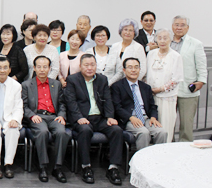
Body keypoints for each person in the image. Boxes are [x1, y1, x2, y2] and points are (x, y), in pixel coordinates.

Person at [65, 54, 123, 185]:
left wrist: (109, 117)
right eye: (86, 65)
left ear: (96, 66)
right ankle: (86, 166)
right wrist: (79, 118)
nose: (90, 68)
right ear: (80, 66)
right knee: (85, 130)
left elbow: (108, 100)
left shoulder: (102, 79)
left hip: (100, 118)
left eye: (93, 65)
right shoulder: (73, 79)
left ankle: (113, 168)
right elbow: (71, 101)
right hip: (83, 118)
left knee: (116, 130)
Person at [22, 56, 69, 183]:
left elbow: (62, 103)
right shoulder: (26, 85)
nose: (42, 69)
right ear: (35, 68)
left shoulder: (56, 84)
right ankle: (42, 167)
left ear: (49, 68)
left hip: (54, 117)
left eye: (45, 67)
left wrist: (61, 115)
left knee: (62, 133)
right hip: (37, 116)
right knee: (43, 132)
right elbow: (23, 106)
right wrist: (32, 115)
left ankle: (57, 167)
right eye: (39, 66)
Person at [111, 58, 167, 150]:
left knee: (162, 132)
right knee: (143, 133)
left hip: (146, 118)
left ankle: (158, 160)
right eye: (130, 67)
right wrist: (131, 117)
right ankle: (142, 161)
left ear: (140, 69)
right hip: (129, 119)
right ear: (124, 70)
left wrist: (153, 117)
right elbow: (117, 107)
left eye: (136, 67)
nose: (133, 70)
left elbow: (152, 106)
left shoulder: (146, 87)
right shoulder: (117, 86)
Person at [171, 15, 207, 142]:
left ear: (188, 28)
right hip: (168, 89)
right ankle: (169, 148)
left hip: (187, 89)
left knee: (186, 125)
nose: (179, 27)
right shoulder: (166, 41)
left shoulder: (196, 43)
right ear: (172, 26)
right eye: (176, 24)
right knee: (168, 124)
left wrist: (201, 81)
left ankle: (185, 150)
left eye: (182, 25)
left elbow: (202, 65)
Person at [145, 29, 183, 143]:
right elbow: (146, 73)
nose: (162, 41)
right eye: (159, 38)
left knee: (166, 127)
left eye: (165, 38)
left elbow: (176, 78)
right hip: (151, 96)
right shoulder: (151, 54)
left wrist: (160, 89)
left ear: (170, 39)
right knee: (151, 126)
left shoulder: (176, 56)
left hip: (167, 97)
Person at [104, 18, 147, 85]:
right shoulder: (114, 46)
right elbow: (109, 67)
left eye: (131, 30)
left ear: (134, 33)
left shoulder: (138, 47)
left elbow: (142, 70)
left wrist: (132, 83)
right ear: (121, 31)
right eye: (125, 30)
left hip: (130, 84)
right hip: (112, 83)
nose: (127, 33)